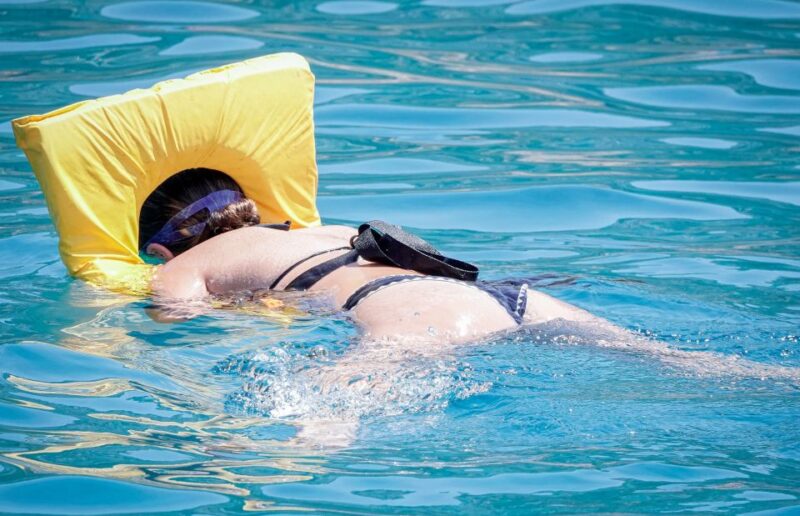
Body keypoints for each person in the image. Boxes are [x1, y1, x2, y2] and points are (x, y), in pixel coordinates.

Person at [142, 168, 616, 344]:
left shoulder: (182, 267)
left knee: (315, 434)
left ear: (161, 250)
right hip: (507, 297)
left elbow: (184, 327)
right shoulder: (324, 230)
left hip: (404, 313)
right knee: (678, 364)